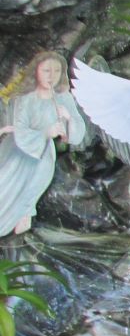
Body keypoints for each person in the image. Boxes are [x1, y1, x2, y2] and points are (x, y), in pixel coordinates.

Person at [0, 51, 85, 237]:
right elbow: (21, 129)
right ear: (36, 71)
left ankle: (20, 244)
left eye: (56, 71)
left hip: (43, 157)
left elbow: (78, 133)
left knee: (27, 201)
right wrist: (45, 132)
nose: (51, 76)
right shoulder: (25, 98)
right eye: (46, 70)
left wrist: (69, 119)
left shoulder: (64, 98)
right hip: (18, 153)